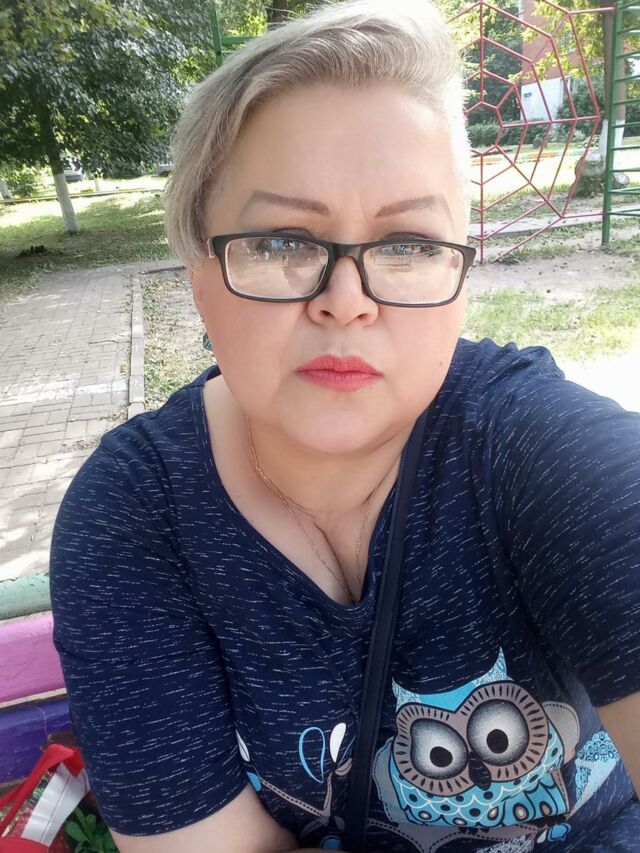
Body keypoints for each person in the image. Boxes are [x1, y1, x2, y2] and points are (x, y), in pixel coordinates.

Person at [48, 1, 640, 851]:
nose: (347, 301)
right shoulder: (135, 518)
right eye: (282, 240)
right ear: (198, 275)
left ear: (460, 276)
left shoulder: (542, 449)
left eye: (406, 243)